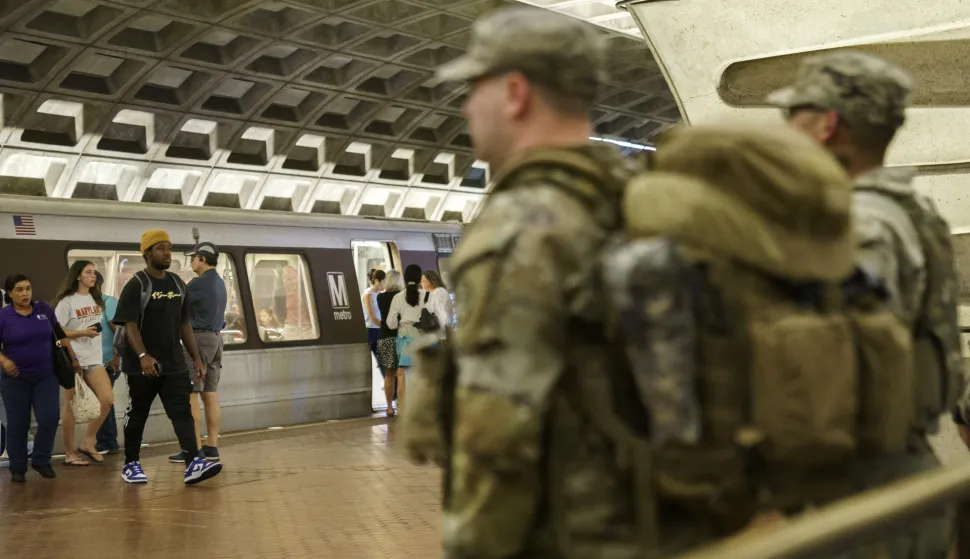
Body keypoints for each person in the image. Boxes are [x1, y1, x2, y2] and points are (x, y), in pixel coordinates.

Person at [407, 7, 647, 557]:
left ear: (515, 92)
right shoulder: (632, 195)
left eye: (474, 87)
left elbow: (498, 434)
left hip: (565, 529)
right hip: (644, 512)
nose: (466, 106)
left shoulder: (523, 226)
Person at [769, 51, 962, 557]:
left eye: (795, 115)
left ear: (828, 124)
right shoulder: (906, 207)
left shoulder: (858, 225)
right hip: (893, 479)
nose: (786, 129)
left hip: (863, 495)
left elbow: (837, 373)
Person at [113, 229, 222, 485]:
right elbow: (128, 323)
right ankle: (131, 464)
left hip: (173, 363)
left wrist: (196, 358)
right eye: (161, 248)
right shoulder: (137, 284)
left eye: (169, 248)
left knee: (182, 412)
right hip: (142, 365)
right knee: (137, 413)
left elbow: (184, 324)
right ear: (147, 252)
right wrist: (142, 355)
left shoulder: (176, 283)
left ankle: (193, 462)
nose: (167, 253)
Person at [0, 274, 82, 482]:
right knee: (18, 424)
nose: (25, 293)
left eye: (27, 288)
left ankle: (41, 460)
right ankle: (18, 468)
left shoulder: (43, 309)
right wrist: (4, 361)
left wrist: (72, 357)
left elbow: (59, 334)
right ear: (9, 293)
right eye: (19, 289)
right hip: (15, 380)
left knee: (49, 418)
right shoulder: (3, 316)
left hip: (46, 376)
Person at [51, 261, 116, 466]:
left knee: (107, 400)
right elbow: (56, 331)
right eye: (88, 272)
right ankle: (70, 453)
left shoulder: (96, 299)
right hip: (73, 360)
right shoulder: (67, 302)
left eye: (94, 272)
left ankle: (88, 441)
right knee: (71, 407)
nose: (92, 276)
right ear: (78, 276)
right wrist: (81, 332)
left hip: (94, 358)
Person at [169, 241, 226, 463]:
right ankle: (212, 446)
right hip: (215, 339)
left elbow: (176, 302)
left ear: (202, 260)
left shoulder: (198, 283)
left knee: (190, 393)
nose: (191, 262)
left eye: (193, 258)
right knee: (210, 393)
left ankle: (192, 450)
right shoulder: (219, 282)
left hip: (199, 340)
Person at [94, 271, 121, 454]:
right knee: (103, 400)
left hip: (108, 361)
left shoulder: (108, 302)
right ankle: (108, 441)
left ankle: (106, 441)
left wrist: (116, 355)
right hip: (92, 363)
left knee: (103, 400)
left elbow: (118, 329)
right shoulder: (84, 305)